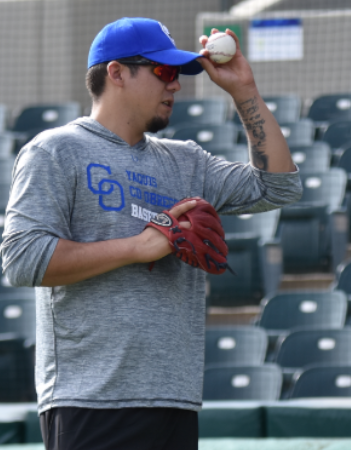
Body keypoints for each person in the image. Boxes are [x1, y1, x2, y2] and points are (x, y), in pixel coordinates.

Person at [0, 17, 302, 450]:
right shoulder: (55, 150)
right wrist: (139, 247)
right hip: (91, 401)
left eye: (177, 73)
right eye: (163, 71)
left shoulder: (187, 162)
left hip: (174, 401)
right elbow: (23, 259)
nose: (175, 85)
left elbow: (279, 185)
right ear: (117, 73)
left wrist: (244, 91)